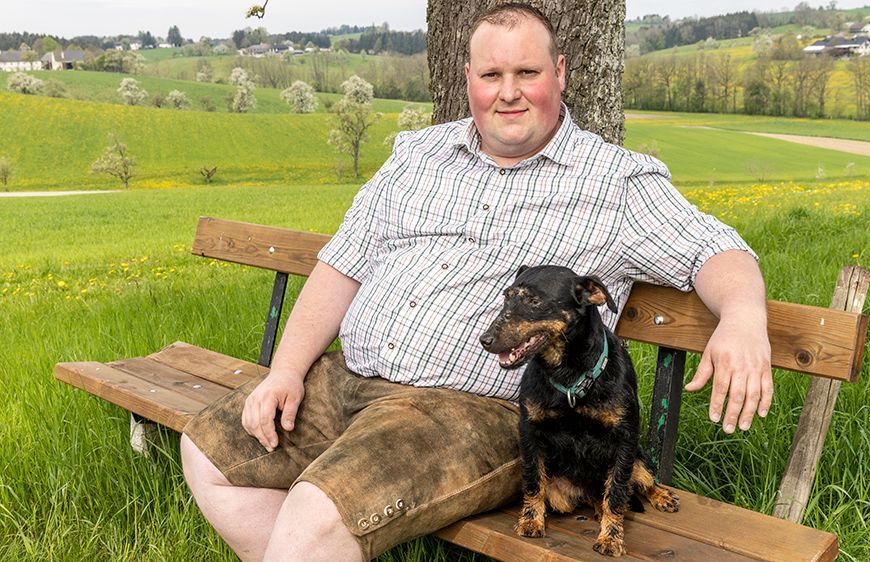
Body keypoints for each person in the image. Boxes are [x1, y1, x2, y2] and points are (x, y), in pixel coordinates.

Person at [180, 4, 772, 561]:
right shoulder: (418, 156)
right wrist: (284, 372)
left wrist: (743, 321)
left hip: (466, 410)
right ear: (468, 78)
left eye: (527, 71)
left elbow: (717, 251)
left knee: (314, 515)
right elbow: (343, 264)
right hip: (346, 379)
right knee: (208, 451)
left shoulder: (614, 182)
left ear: (560, 73)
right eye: (492, 73)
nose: (508, 91)